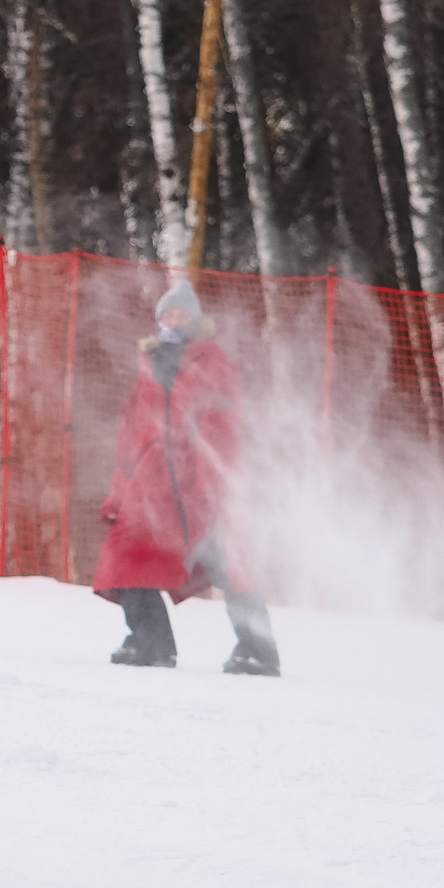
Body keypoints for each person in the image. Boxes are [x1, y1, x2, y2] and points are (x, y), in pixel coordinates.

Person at [92, 279, 281, 676]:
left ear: (195, 320)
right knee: (126, 558)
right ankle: (150, 643)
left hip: (197, 486)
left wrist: (214, 486)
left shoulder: (213, 364)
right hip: (149, 490)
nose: (175, 321)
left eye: (182, 314)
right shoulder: (148, 364)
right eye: (168, 314)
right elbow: (130, 438)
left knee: (228, 562)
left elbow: (221, 429)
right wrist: (117, 497)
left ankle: (257, 651)